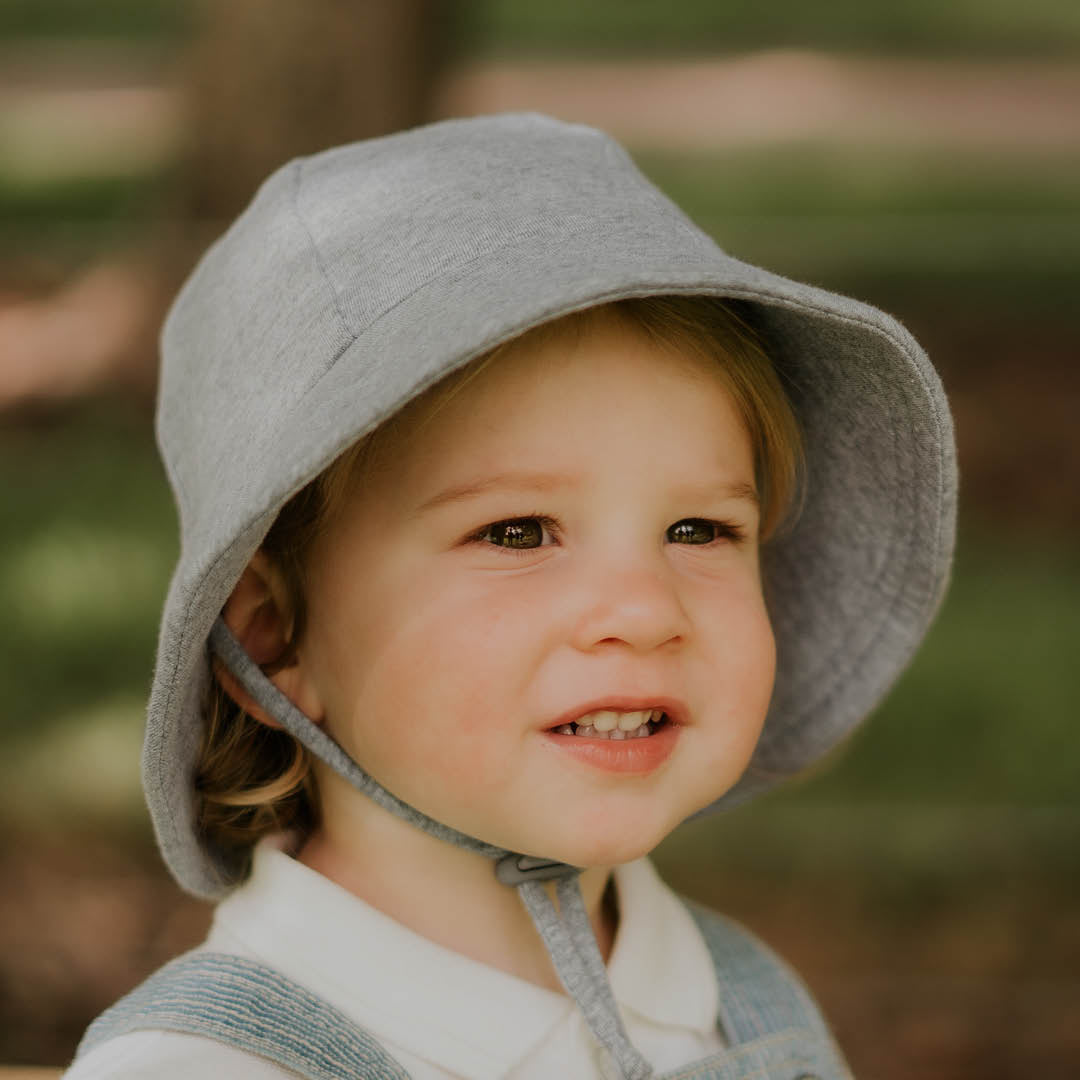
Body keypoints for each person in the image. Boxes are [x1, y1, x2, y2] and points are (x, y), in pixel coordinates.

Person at [64, 112, 956, 1080]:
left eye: (698, 530)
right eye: (519, 533)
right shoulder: (207, 1065)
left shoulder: (747, 1009)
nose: (645, 610)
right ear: (276, 635)